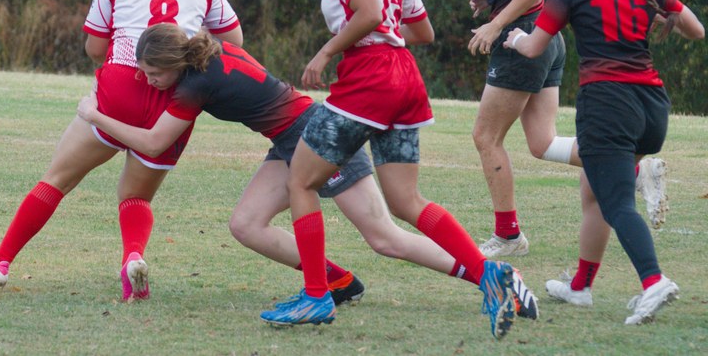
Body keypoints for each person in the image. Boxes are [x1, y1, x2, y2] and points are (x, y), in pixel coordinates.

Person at [76, 23, 538, 312]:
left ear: (173, 62)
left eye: (151, 72)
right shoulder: (206, 50)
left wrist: (95, 115)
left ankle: (492, 279)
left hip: (315, 136)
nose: (148, 80)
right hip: (289, 139)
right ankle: (335, 281)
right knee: (246, 224)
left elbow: (155, 142)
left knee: (384, 236)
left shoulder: (194, 82)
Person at [259, 0, 533, 341]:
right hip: (406, 80)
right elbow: (421, 31)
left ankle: (315, 295)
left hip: (369, 80)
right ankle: (489, 275)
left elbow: (366, 14)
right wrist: (385, 28)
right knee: (406, 201)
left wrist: (325, 53)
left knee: (300, 181)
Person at [0, 0, 242, 301]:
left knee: (57, 180)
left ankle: (0, 262)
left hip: (122, 84)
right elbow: (234, 43)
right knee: (136, 196)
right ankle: (133, 259)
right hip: (177, 98)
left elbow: (94, 47)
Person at [441, 0, 669, 259]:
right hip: (544, 36)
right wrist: (492, 0)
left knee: (485, 137)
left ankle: (509, 236)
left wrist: (496, 24)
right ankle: (633, 173)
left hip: (525, 38)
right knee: (542, 143)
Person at [503, 0, 703, 324]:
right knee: (593, 193)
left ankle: (654, 282)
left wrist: (516, 38)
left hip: (608, 107)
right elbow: (696, 29)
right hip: (652, 108)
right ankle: (580, 286)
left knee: (614, 203)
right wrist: (665, 18)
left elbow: (536, 47)